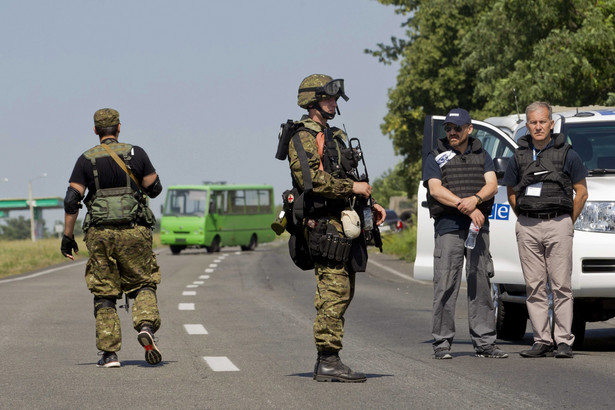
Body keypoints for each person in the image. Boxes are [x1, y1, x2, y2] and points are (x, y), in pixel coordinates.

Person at [287, 74, 386, 382]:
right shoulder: (301, 136)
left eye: (334, 100)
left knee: (344, 292)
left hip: (344, 223)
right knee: (333, 293)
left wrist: (370, 204)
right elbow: (311, 180)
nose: (334, 104)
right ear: (313, 101)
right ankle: (328, 360)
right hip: (323, 226)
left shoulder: (335, 135)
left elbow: (351, 176)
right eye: (329, 99)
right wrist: (352, 187)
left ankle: (329, 358)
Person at [61, 108, 164, 368]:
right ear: (119, 128)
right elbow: (155, 189)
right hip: (134, 230)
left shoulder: (86, 159)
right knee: (143, 282)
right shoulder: (136, 153)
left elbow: (72, 200)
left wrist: (67, 236)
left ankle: (109, 354)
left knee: (104, 291)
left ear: (95, 130)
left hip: (100, 235)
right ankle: (146, 326)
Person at [503, 101, 588, 359]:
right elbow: (510, 192)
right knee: (535, 286)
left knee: (561, 285)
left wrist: (565, 222)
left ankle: (563, 341)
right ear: (527, 126)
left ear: (552, 124)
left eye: (542, 122)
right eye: (533, 122)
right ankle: (542, 340)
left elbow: (582, 193)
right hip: (527, 226)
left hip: (558, 223)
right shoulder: (518, 155)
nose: (538, 127)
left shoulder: (568, 154)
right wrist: (526, 217)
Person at [423, 108, 508, 359]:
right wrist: (468, 207)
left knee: (481, 283)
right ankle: (442, 342)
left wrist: (476, 199)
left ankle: (485, 343)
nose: (451, 132)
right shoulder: (436, 155)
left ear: (469, 129)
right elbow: (435, 190)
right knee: (446, 283)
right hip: (449, 225)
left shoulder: (483, 154)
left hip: (478, 228)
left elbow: (491, 185)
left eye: (457, 128)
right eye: (448, 128)